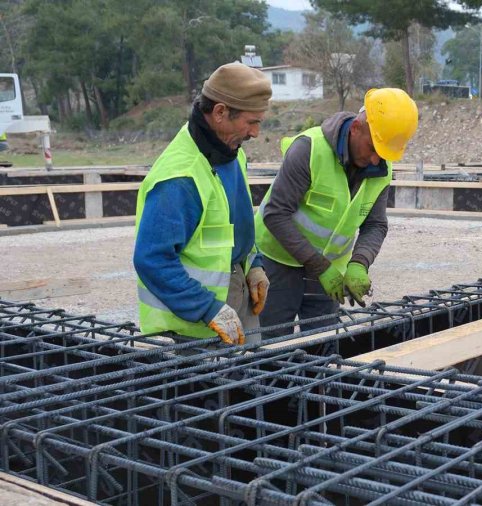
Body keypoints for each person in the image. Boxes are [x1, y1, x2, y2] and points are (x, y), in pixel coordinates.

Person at [254, 88, 418, 342]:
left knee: (323, 345)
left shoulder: (381, 168)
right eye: (373, 148)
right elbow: (276, 214)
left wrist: (359, 263)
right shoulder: (309, 149)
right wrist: (318, 265)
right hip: (279, 261)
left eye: (384, 153)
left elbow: (375, 224)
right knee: (271, 343)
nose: (376, 159)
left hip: (328, 272)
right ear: (355, 128)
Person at [133, 63, 272, 348]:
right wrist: (207, 308)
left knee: (251, 385)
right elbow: (153, 259)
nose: (256, 133)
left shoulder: (230, 152)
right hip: (193, 328)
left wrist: (253, 265)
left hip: (236, 297)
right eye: (251, 122)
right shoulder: (180, 177)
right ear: (220, 112)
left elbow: (232, 227)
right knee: (213, 392)